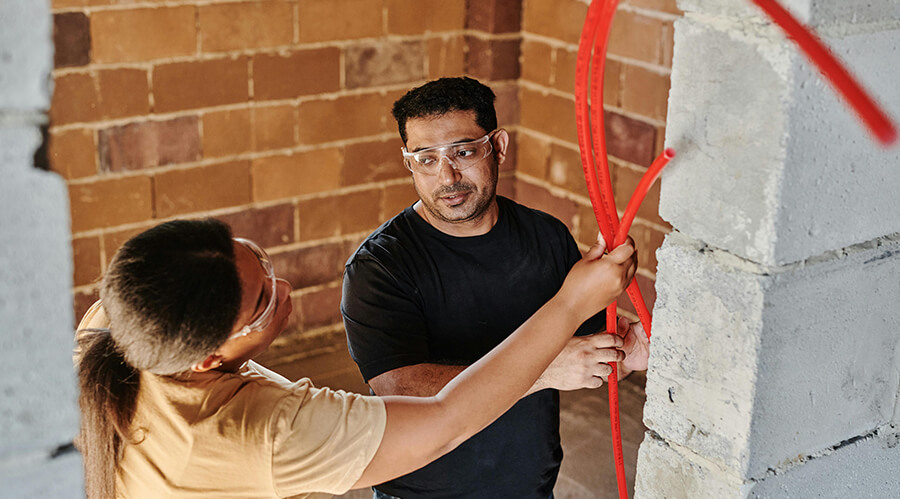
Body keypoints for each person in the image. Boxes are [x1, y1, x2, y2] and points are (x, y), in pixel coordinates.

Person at [75, 218, 636, 498]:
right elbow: (444, 423)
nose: (285, 284)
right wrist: (569, 305)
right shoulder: (264, 433)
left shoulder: (113, 323)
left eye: (260, 259)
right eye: (264, 298)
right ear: (206, 358)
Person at [341, 76, 651, 498]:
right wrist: (545, 370)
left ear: (498, 146)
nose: (447, 176)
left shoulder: (546, 237)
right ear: (408, 161)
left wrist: (627, 349)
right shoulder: (379, 266)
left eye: (464, 152)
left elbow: (587, 338)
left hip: (529, 486)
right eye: (426, 159)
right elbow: (401, 388)